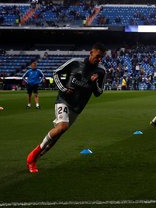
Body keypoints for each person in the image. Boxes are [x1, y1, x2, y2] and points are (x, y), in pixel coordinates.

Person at [25, 43, 107, 173]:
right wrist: (63, 88)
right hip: (63, 100)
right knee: (63, 126)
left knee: (58, 134)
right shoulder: (75, 63)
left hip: (77, 107)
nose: (99, 60)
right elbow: (56, 73)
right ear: (91, 52)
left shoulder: (101, 71)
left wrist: (94, 82)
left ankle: (35, 159)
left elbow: (99, 93)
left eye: (102, 57)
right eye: (98, 56)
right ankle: (34, 155)